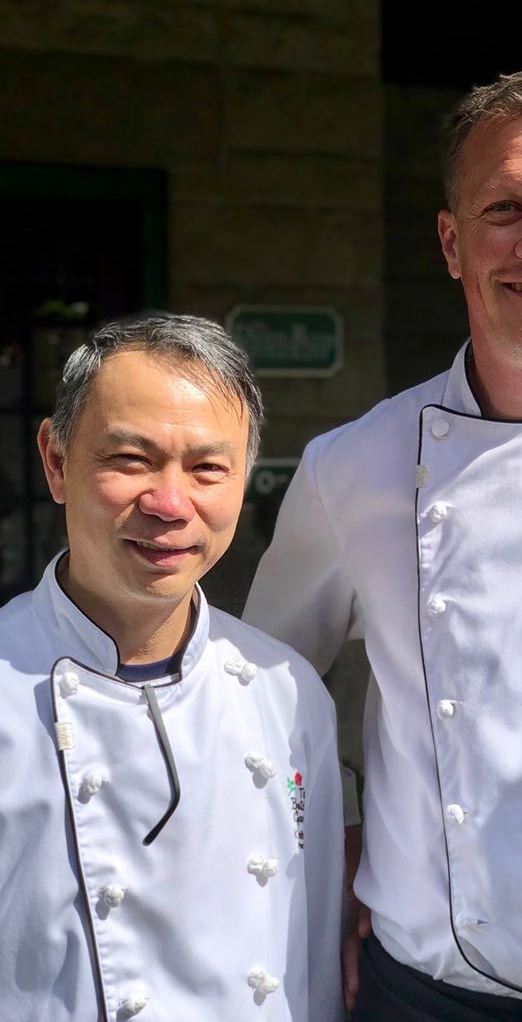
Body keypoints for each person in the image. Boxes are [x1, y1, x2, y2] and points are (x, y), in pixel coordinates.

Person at [243, 69, 522, 1019]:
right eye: (504, 208)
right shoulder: (352, 463)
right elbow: (263, 696)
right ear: (450, 242)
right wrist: (341, 828)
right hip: (428, 993)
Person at [0, 315, 345, 1022]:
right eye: (129, 459)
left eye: (207, 468)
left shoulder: (287, 692)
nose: (168, 504)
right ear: (56, 461)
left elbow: (311, 955)